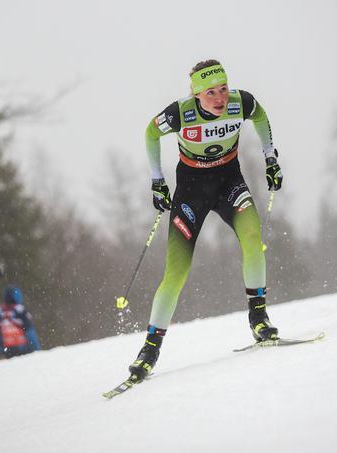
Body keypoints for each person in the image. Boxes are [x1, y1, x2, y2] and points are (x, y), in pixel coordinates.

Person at [128, 59, 284, 380]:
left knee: (253, 239)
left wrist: (271, 158)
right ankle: (150, 350)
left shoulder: (242, 102)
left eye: (223, 89)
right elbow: (150, 132)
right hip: (191, 193)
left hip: (229, 183)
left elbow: (261, 115)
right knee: (176, 272)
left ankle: (259, 318)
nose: (220, 98)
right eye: (210, 92)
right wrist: (157, 181)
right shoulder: (180, 113)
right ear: (196, 94)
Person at [0, 285, 42, 359]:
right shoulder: (21, 311)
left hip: (8, 350)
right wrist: (37, 349)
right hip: (24, 349)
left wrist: (2, 351)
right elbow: (30, 332)